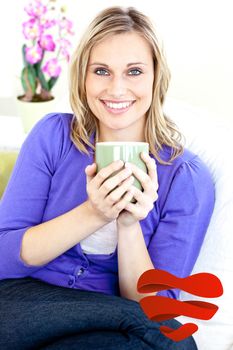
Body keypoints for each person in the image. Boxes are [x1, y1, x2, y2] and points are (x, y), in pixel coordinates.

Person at [0, 6, 214, 350]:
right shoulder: (53, 137)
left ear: (156, 77)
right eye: (101, 71)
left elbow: (152, 305)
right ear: (83, 78)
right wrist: (93, 213)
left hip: (103, 332)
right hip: (19, 305)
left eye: (134, 71)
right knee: (171, 339)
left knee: (154, 335)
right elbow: (3, 255)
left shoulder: (185, 178)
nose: (117, 89)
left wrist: (128, 226)